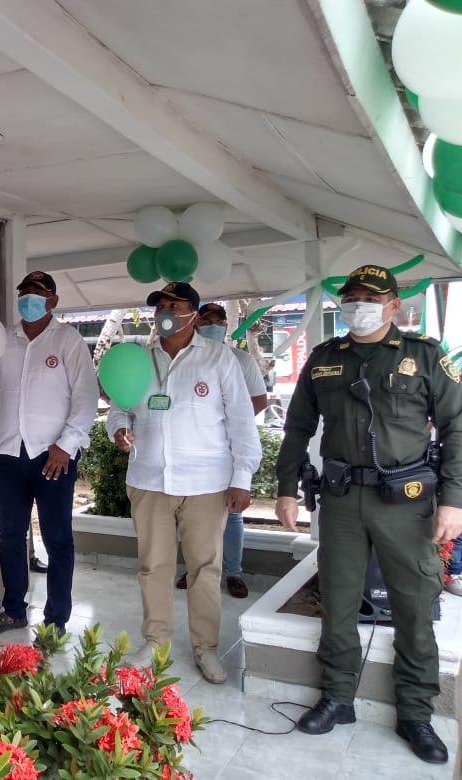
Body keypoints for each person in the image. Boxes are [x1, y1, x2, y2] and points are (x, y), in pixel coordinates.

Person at [274, 264, 462, 764]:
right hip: (341, 501)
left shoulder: (423, 356)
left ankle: (416, 713)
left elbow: (456, 428)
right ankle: (337, 698)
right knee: (336, 601)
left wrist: (454, 499)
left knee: (413, 606)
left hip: (407, 501)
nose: (358, 305)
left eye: (370, 298)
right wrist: (287, 490)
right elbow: (296, 429)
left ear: (394, 305)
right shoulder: (324, 359)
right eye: (352, 296)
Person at [108, 282, 260, 684]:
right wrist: (120, 430)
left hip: (206, 484)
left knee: (205, 569)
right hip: (148, 479)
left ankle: (205, 648)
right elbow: (118, 410)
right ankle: (155, 641)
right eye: (160, 305)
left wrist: (241, 479)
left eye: (174, 304)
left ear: (194, 312)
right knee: (152, 566)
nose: (165, 311)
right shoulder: (139, 360)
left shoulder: (219, 359)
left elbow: (243, 424)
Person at [0, 270, 99, 641]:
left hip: (53, 456)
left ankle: (57, 619)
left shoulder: (68, 340)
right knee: (10, 534)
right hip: (9, 454)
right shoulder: (4, 342)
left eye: (38, 293)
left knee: (58, 538)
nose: (29, 298)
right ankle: (14, 611)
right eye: (25, 292)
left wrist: (67, 444)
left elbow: (86, 397)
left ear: (53, 301)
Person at [174, 302, 268, 598]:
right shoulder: (184, 357)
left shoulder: (240, 359)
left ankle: (234, 572)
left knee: (233, 515)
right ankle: (195, 570)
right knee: (192, 516)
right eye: (207, 320)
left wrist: (227, 423)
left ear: (226, 326)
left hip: (232, 450)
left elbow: (258, 400)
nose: (213, 324)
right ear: (195, 323)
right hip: (197, 452)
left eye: (219, 320)